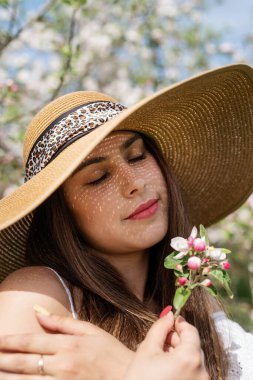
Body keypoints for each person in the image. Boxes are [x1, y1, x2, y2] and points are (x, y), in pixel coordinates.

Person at [0, 64, 253, 379]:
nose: (134, 182)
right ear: (61, 215)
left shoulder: (199, 300)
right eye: (98, 177)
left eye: (137, 156)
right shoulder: (38, 297)